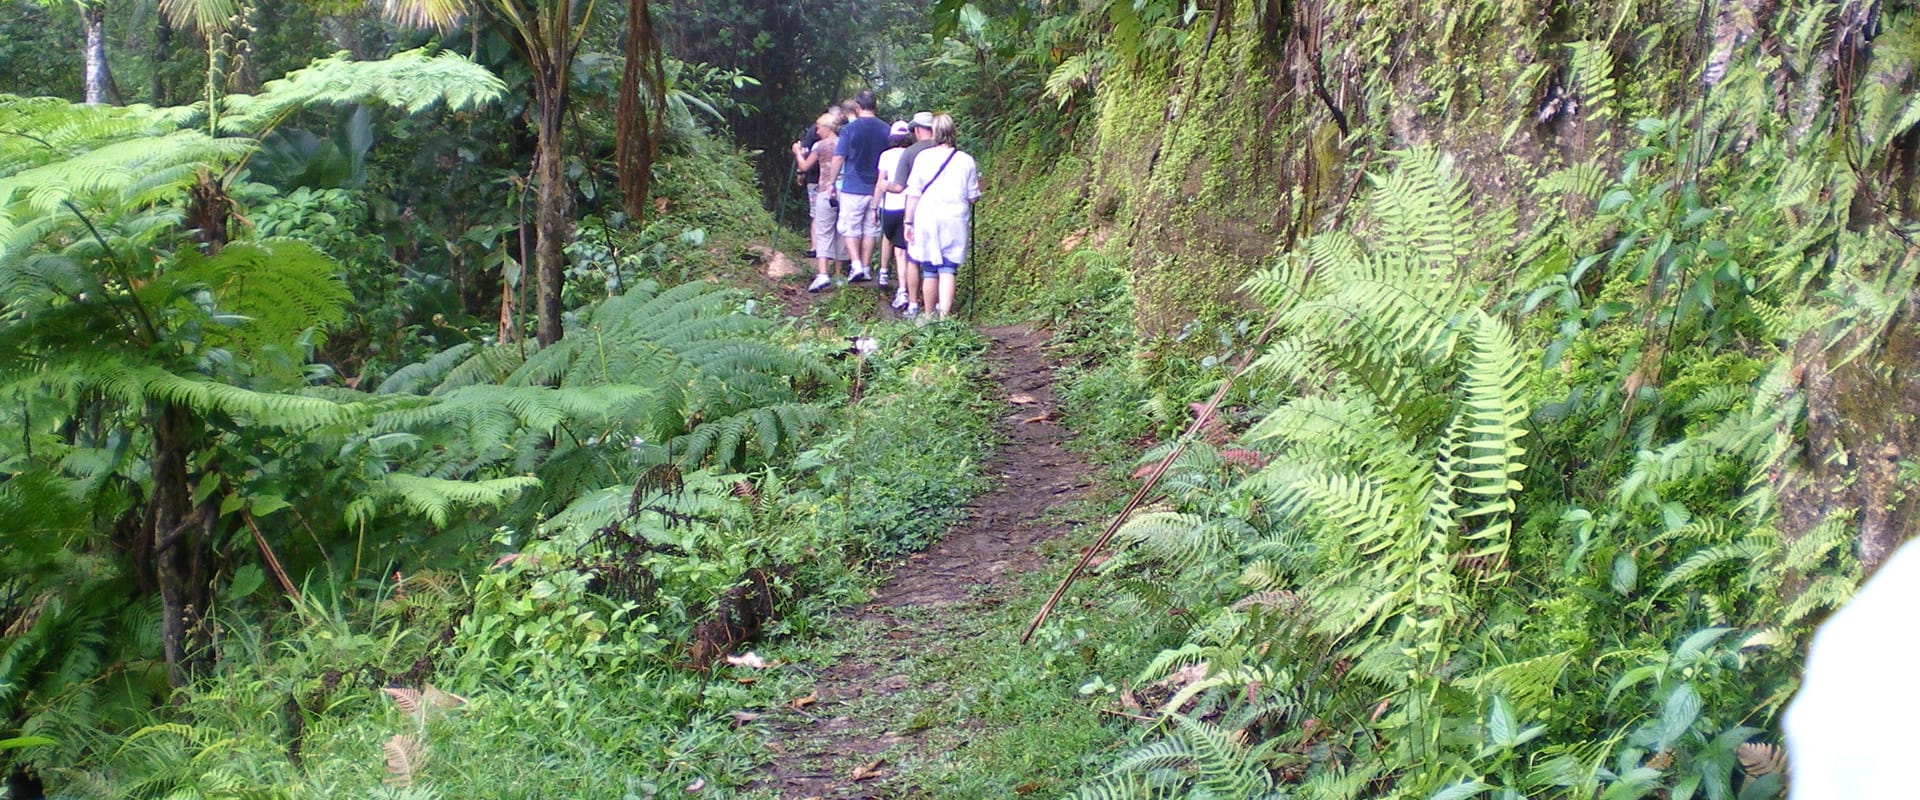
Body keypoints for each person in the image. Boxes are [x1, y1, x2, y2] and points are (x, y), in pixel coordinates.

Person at [903, 113, 980, 320]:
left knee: (929, 268)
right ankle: (944, 317)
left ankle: (928, 317)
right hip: (954, 218)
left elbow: (913, 193)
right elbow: (973, 196)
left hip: (927, 217)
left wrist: (908, 222)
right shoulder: (966, 160)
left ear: (934, 133)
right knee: (948, 267)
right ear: (953, 133)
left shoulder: (923, 158)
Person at [831, 90, 889, 284]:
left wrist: (831, 182)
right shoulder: (885, 129)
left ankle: (855, 264)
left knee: (849, 227)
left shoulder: (850, 129)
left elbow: (839, 157)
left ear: (857, 107)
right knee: (869, 228)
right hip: (877, 187)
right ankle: (864, 267)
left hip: (853, 185)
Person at [886, 112, 936, 312]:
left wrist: (883, 185)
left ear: (916, 130)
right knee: (937, 261)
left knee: (912, 257)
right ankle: (938, 306)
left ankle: (914, 303)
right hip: (941, 209)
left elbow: (899, 187)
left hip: (915, 210)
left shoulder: (910, 152)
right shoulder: (947, 150)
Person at [791, 113, 847, 292]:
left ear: (828, 127)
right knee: (841, 232)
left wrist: (797, 152)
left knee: (823, 232)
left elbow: (804, 166)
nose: (817, 130)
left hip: (825, 190)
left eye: (819, 127)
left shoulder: (820, 145)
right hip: (845, 191)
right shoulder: (844, 142)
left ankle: (822, 273)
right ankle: (838, 274)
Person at [872, 120, 913, 298]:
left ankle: (883, 272)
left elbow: (880, 183)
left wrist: (874, 207)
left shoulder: (886, 155)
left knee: (886, 238)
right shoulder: (913, 155)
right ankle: (903, 289)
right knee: (902, 249)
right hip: (907, 206)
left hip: (888, 206)